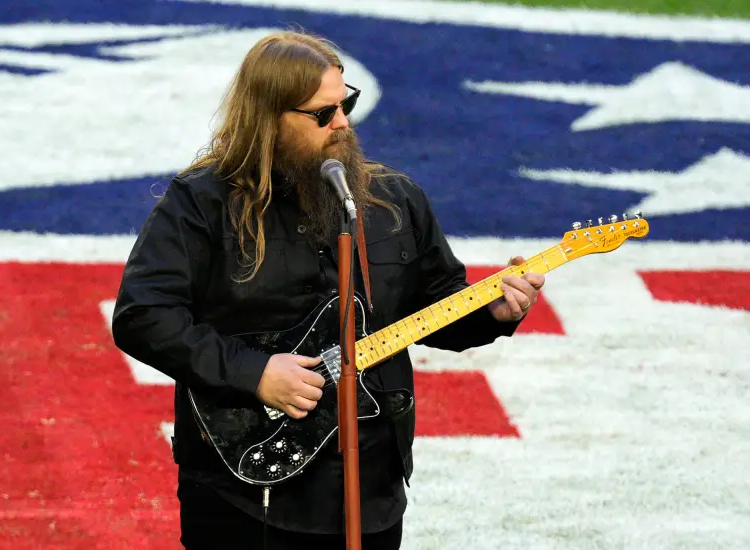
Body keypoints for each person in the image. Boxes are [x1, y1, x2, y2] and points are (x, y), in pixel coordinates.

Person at [111, 30, 545, 550]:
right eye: (322, 114)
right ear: (269, 117)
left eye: (346, 104)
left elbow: (437, 300)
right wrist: (254, 374)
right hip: (244, 495)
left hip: (371, 485)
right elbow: (144, 315)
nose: (342, 125)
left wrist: (491, 312)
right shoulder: (201, 203)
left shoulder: (391, 200)